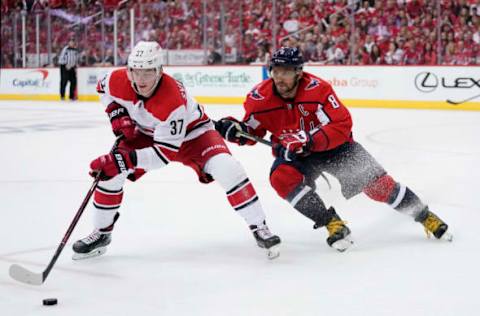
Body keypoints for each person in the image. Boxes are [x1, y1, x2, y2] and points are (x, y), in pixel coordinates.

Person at [215, 47, 452, 252]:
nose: (279, 77)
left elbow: (342, 124)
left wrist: (309, 140)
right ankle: (333, 223)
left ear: (299, 72)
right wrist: (236, 131)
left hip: (335, 148)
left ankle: (424, 216)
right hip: (295, 155)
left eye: (286, 72)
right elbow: (253, 131)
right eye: (275, 71)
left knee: (380, 187)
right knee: (281, 178)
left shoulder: (318, 90)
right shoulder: (259, 98)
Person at [72, 41, 281, 260]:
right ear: (129, 70)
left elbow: (163, 156)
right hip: (145, 132)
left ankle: (259, 227)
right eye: (136, 72)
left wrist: (126, 160)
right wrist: (116, 113)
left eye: (148, 73)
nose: (141, 80)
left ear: (160, 71)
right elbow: (102, 89)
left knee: (228, 169)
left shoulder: (172, 100)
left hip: (194, 135)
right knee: (109, 175)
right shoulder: (117, 79)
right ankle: (101, 234)